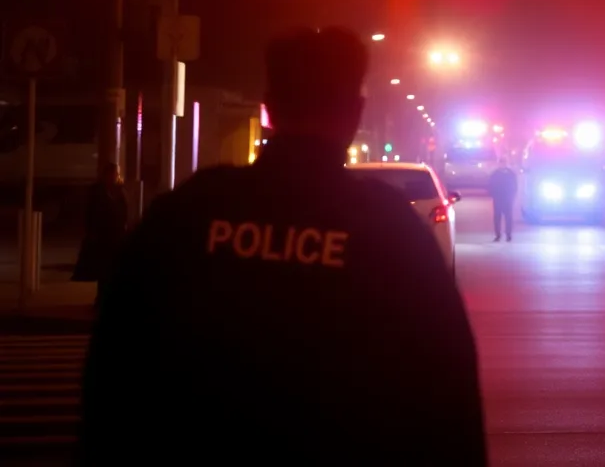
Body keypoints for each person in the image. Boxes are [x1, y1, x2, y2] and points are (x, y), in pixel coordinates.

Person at [78, 27, 487, 465]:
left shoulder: (187, 214)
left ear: (270, 106)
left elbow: (111, 369)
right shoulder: (392, 233)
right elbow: (450, 397)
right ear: (354, 112)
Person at [71, 162, 128, 308]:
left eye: (116, 173)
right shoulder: (97, 191)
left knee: (112, 269)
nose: (115, 176)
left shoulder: (118, 191)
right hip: (103, 237)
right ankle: (102, 298)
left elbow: (123, 211)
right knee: (103, 270)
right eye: (113, 173)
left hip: (115, 236)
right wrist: (91, 232)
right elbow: (91, 213)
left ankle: (109, 298)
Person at [488, 158, 517, 242]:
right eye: (501, 163)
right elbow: (490, 185)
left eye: (504, 163)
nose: (503, 165)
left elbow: (514, 185)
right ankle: (498, 235)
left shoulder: (511, 174)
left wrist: (512, 195)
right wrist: (493, 195)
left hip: (508, 199)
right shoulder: (495, 174)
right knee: (497, 217)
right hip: (498, 199)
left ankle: (508, 235)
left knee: (508, 217)